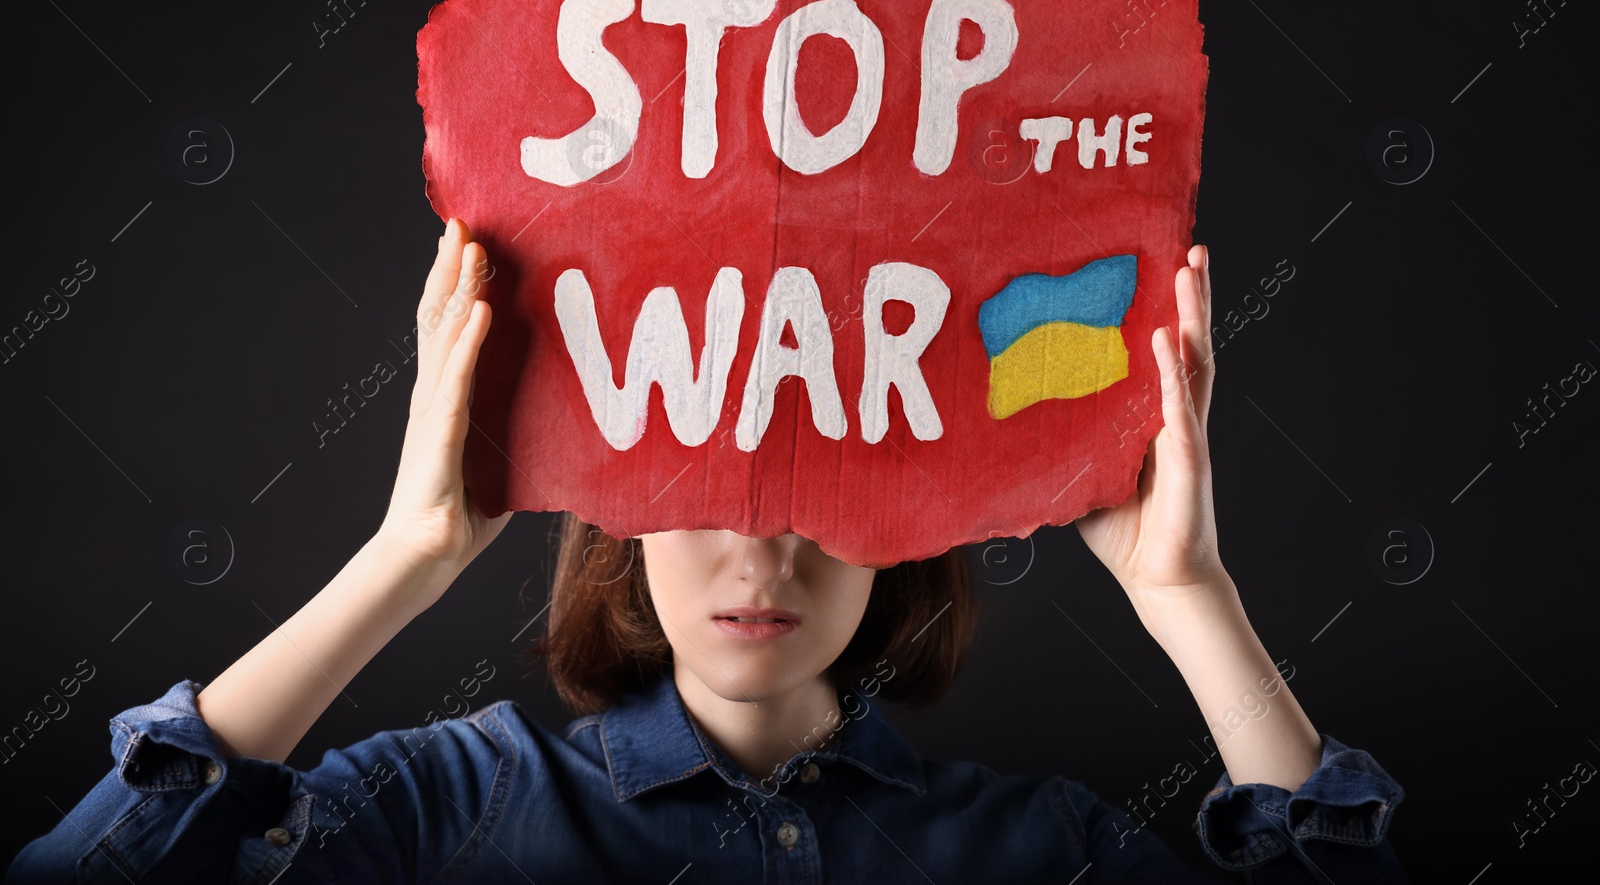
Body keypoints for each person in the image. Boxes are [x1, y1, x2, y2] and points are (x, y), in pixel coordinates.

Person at [5, 220, 1409, 883]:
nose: (764, 550)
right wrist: (404, 555)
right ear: (619, 527)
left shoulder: (1036, 850)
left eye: (822, 497)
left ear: (901, 542)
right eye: (714, 484)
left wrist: (1189, 599)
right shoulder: (444, 808)